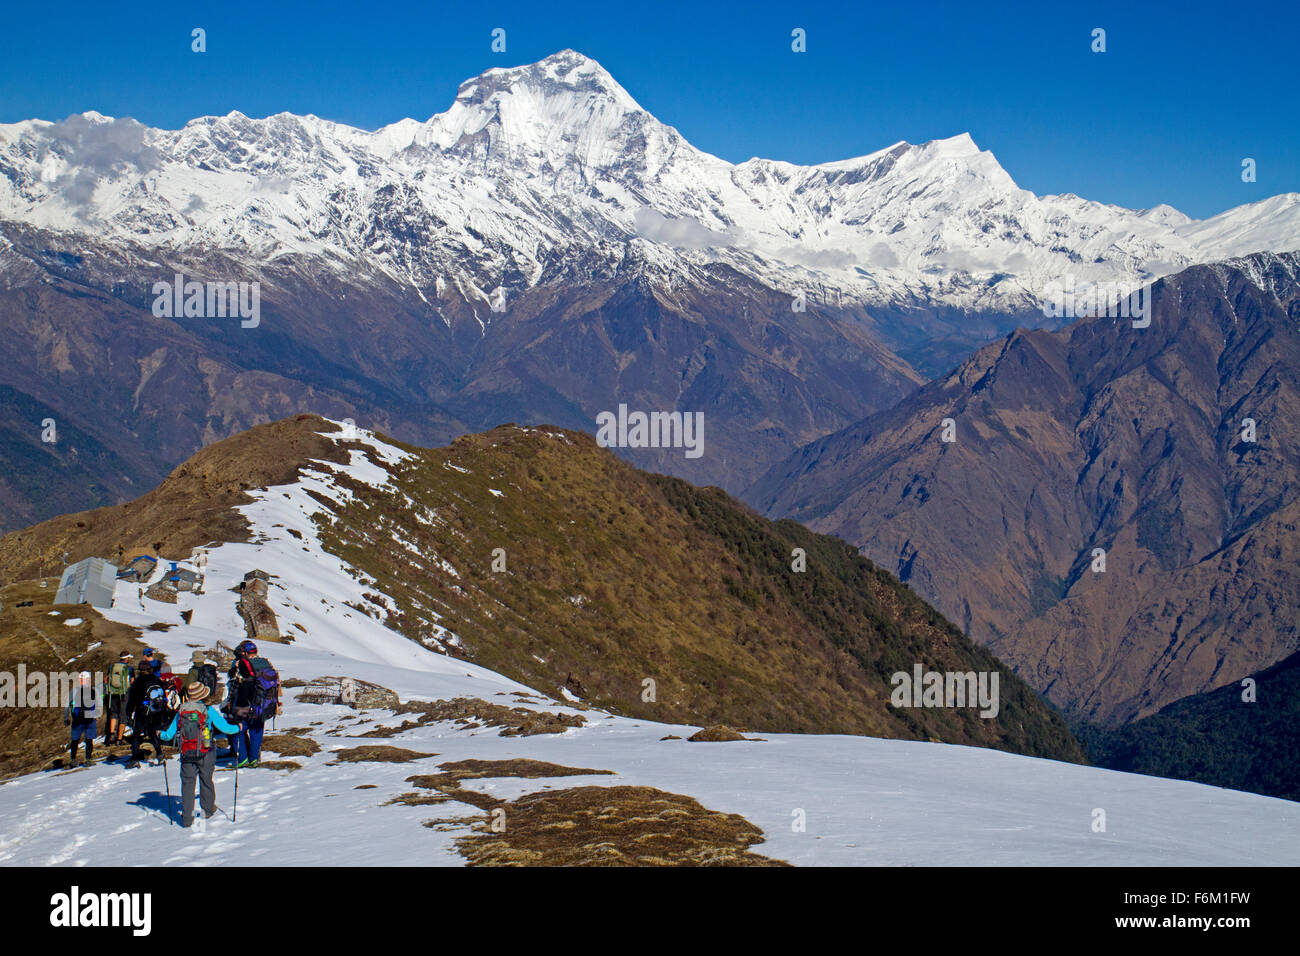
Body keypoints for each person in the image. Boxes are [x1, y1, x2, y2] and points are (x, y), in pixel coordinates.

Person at [159, 682, 240, 828]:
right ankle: (207, 810)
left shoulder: (181, 712)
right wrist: (238, 727)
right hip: (206, 750)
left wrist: (160, 734)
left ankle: (186, 818)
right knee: (206, 779)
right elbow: (225, 728)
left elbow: (169, 735)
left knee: (188, 784)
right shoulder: (207, 710)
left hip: (186, 752)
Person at [226, 640, 279, 768]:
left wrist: (232, 705)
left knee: (239, 730)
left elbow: (234, 686)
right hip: (262, 705)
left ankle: (243, 759)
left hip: (244, 704)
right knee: (257, 731)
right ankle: (254, 759)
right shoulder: (265, 663)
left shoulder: (241, 665)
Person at [124, 661, 166, 767]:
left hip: (142, 712)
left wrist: (128, 713)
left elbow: (132, 699)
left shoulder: (138, 681)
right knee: (152, 733)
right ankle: (160, 754)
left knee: (136, 734)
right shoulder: (156, 680)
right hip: (155, 711)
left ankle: (135, 759)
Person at [64, 671, 100, 767]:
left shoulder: (74, 691)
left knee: (75, 740)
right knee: (89, 739)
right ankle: (88, 759)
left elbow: (67, 705)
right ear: (88, 679)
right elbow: (97, 704)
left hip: (77, 719)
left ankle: (73, 760)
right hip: (90, 717)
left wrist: (66, 718)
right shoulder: (93, 690)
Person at [102, 651, 134, 747]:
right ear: (127, 658)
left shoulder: (112, 667)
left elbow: (106, 679)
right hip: (124, 693)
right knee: (123, 715)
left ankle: (111, 734)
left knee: (113, 713)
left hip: (113, 693)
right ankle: (119, 739)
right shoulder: (129, 668)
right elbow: (132, 681)